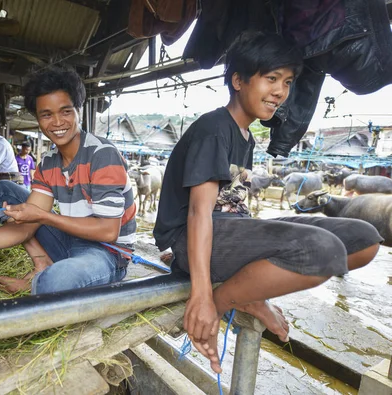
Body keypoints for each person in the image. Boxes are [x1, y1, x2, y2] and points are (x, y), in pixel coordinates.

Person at [153, 31, 382, 374]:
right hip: (191, 238)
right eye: (271, 78)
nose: (280, 92)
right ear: (238, 80)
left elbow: (234, 205)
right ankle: (224, 301)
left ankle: (248, 295)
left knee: (365, 239)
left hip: (229, 231)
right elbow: (201, 212)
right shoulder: (214, 129)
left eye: (287, 82)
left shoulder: (245, 136)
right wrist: (201, 295)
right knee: (323, 251)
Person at [0, 65, 136, 295]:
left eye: (66, 111)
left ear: (78, 110)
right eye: (46, 114)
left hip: (106, 253)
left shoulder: (102, 154)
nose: (57, 122)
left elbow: (108, 231)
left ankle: (36, 282)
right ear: (38, 118)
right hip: (71, 241)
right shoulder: (49, 162)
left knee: (56, 281)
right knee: (3, 191)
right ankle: (43, 262)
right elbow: (23, 229)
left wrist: (42, 216)